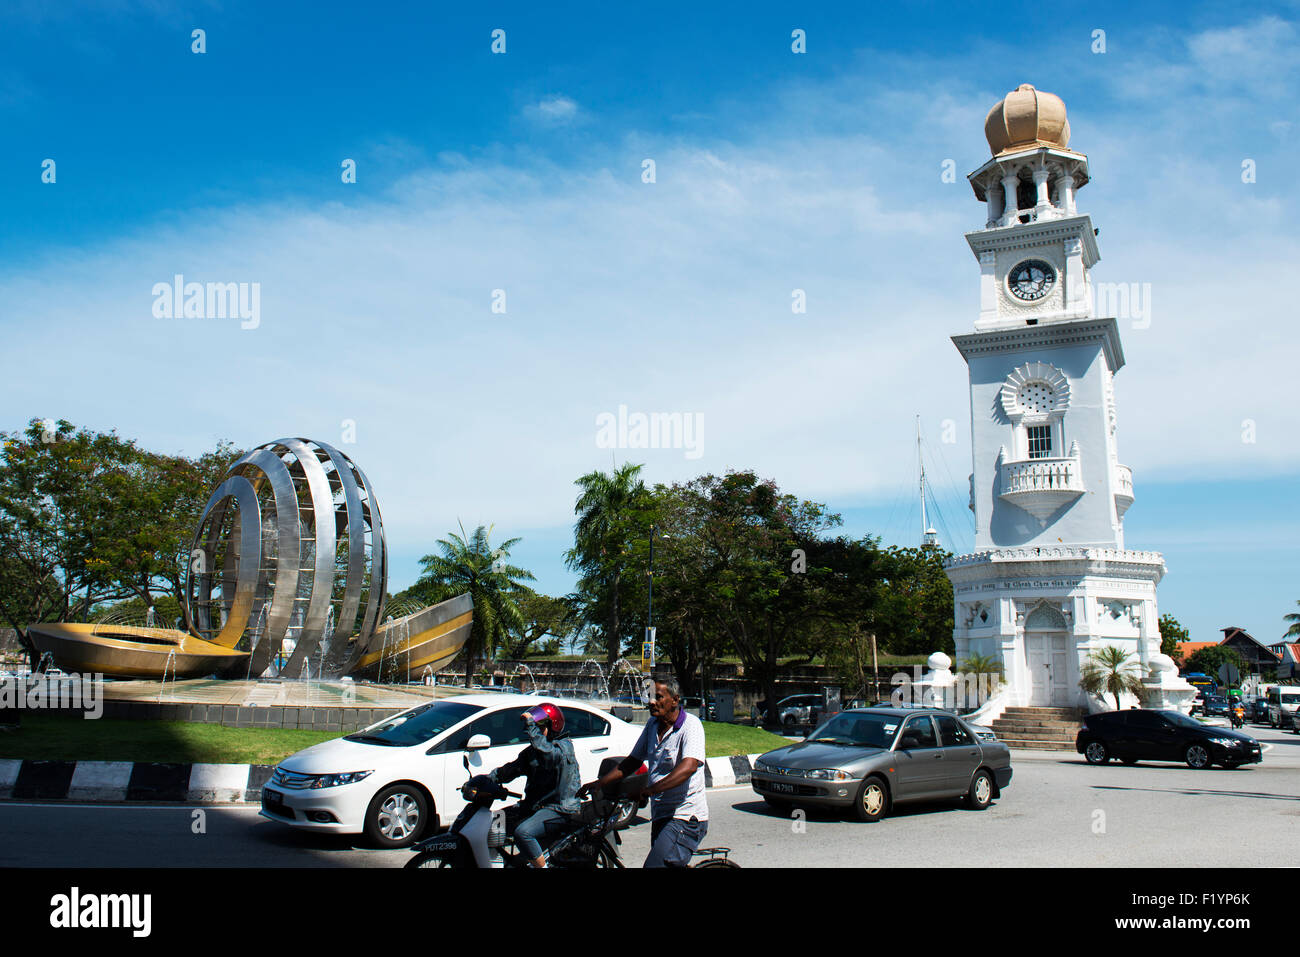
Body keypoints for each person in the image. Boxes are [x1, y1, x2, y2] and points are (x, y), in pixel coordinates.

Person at [581, 675, 707, 867]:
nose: (652, 702)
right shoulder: (652, 725)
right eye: (650, 697)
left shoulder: (690, 725)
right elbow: (631, 762)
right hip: (661, 815)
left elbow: (688, 766)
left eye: (658, 697)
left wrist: (650, 790)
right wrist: (600, 783)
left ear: (675, 700)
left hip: (685, 817)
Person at [489, 702, 581, 868]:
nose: (535, 731)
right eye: (534, 727)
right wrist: (487, 780)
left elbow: (549, 757)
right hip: (536, 806)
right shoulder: (533, 752)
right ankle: (499, 863)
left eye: (539, 727)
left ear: (552, 726)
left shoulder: (564, 747)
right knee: (495, 820)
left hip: (559, 808)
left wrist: (531, 726)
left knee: (523, 833)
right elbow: (510, 770)